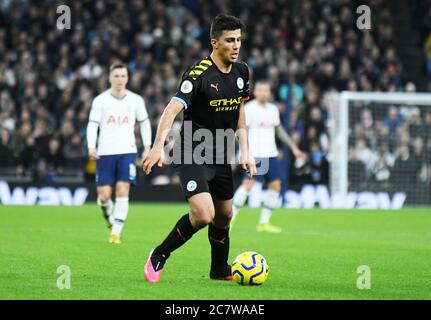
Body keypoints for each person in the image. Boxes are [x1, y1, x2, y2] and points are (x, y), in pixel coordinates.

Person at [142, 14, 256, 282]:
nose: (236, 45)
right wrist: (158, 146)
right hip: (190, 151)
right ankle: (159, 254)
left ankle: (219, 269)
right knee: (205, 214)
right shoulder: (198, 74)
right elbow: (171, 111)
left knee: (224, 216)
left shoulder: (242, 72)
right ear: (214, 43)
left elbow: (239, 109)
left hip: (221, 153)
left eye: (239, 39)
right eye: (230, 40)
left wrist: (246, 150)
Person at [86, 63, 152, 244]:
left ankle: (116, 233)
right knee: (103, 197)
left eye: (123, 76)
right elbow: (93, 124)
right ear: (109, 78)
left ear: (127, 78)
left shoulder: (136, 100)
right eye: (116, 76)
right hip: (105, 152)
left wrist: (147, 147)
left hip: (127, 151)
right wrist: (91, 146)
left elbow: (145, 123)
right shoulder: (100, 101)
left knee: (123, 191)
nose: (120, 79)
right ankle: (110, 220)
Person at [231, 81, 305, 233]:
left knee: (275, 186)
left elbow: (279, 131)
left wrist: (294, 148)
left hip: (271, 154)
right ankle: (229, 220)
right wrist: (242, 152)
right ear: (255, 92)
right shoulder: (249, 109)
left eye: (266, 90)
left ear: (269, 93)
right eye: (260, 90)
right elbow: (239, 131)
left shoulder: (273, 109)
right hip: (254, 154)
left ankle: (264, 223)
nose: (263, 93)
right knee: (248, 185)